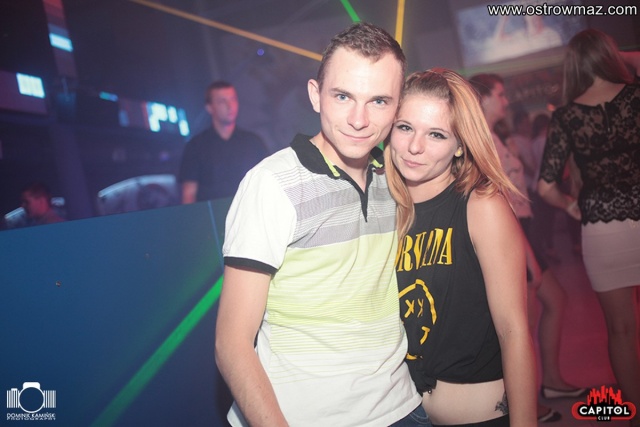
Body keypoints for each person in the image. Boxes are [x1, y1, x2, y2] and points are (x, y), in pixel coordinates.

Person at [215, 22, 427, 427]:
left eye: (379, 101)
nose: (359, 119)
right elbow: (231, 342)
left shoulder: (397, 179)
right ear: (316, 95)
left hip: (401, 407)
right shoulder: (272, 183)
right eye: (343, 96)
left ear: (398, 107)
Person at [385, 68, 536, 426]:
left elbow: (513, 331)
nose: (415, 146)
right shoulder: (383, 208)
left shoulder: (480, 206)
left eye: (436, 134)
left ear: (460, 145)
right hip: (403, 413)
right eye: (405, 127)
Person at [537, 29, 640, 427]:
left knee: (621, 330)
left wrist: (571, 206)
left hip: (602, 229)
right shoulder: (635, 97)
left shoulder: (567, 116)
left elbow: (545, 186)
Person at [470, 73, 586, 423]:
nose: (506, 101)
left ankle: (549, 383)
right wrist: (528, 256)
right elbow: (500, 202)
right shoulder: (482, 140)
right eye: (500, 94)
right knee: (522, 321)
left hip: (524, 229)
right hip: (513, 233)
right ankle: (527, 403)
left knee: (552, 302)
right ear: (483, 99)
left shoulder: (495, 136)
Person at [178, 80, 269, 203]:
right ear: (210, 107)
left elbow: (269, 181)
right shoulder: (196, 146)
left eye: (233, 99)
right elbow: (189, 194)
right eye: (222, 101)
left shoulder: (254, 142)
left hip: (251, 211)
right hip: (213, 214)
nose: (230, 106)